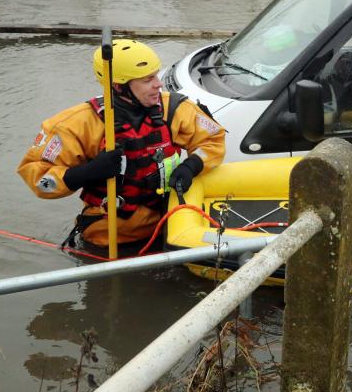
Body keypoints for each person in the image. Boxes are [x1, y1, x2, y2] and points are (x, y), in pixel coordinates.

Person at [18, 39, 226, 247]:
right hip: (110, 235)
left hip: (167, 223)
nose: (158, 84)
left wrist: (191, 166)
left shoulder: (174, 109)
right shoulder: (76, 124)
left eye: (155, 75)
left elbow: (213, 140)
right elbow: (37, 178)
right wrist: (87, 172)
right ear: (119, 86)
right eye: (147, 80)